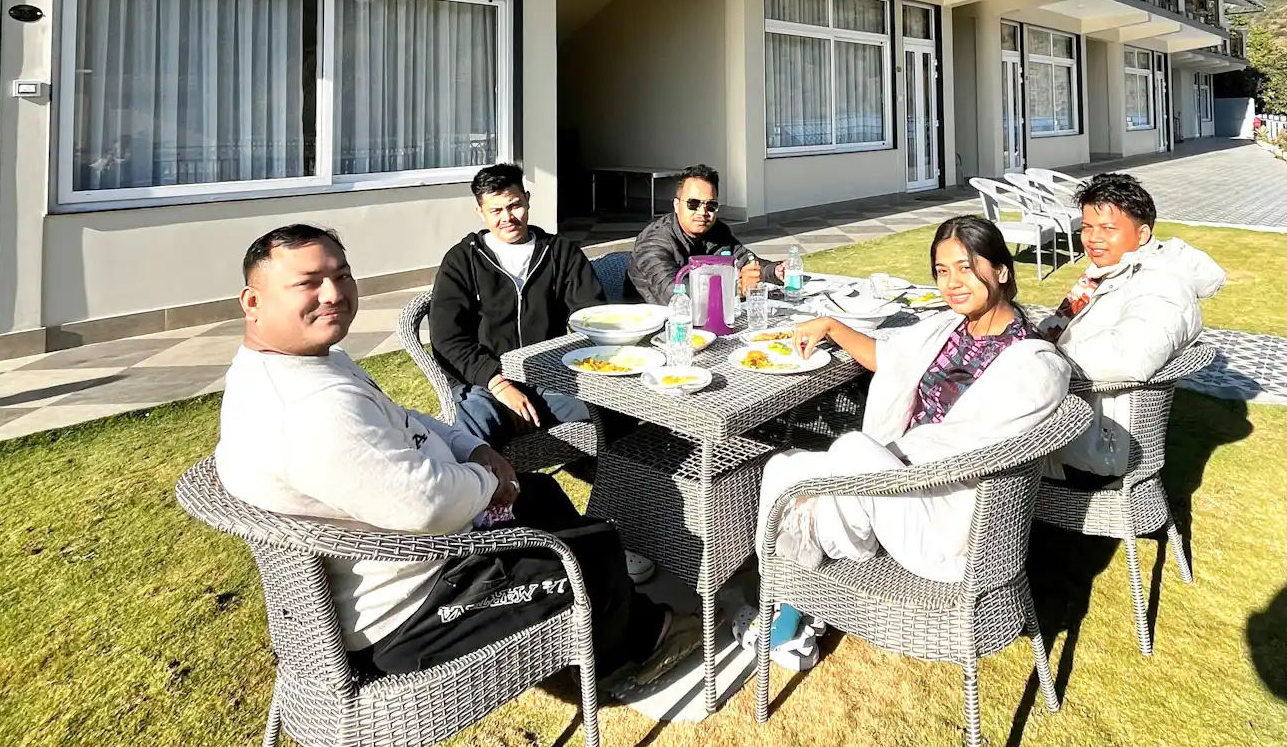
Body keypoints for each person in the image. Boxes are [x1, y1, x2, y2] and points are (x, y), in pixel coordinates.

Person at [215, 224, 699, 683]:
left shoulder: (308, 366)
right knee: (593, 548)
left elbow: (405, 418)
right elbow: (428, 506)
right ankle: (631, 652)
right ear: (252, 302)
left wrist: (474, 447)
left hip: (422, 546)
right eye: (308, 283)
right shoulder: (309, 408)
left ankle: (603, 623)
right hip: (414, 607)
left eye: (341, 276)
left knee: (543, 491)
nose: (334, 294)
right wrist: (491, 481)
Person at [753, 215, 1072, 596]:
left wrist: (871, 462)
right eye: (941, 271)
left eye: (965, 269)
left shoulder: (1032, 365)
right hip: (897, 480)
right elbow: (891, 358)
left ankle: (800, 581)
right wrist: (832, 326)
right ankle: (779, 590)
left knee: (851, 452)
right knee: (780, 469)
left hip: (946, 515)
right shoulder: (951, 328)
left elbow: (971, 450)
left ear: (1001, 271)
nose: (952, 283)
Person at [1035, 170, 1225, 483]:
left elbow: (1129, 356)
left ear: (1143, 235)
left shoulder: (1162, 285)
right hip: (1076, 420)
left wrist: (1037, 363)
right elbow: (1063, 327)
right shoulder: (1111, 271)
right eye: (1087, 228)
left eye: (1108, 229)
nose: (1093, 239)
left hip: (1092, 447)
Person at [429, 163, 604, 446]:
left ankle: (617, 482)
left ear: (527, 199)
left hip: (549, 377)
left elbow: (593, 314)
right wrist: (499, 384)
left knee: (613, 413)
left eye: (515, 206)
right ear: (480, 212)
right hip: (483, 384)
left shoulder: (560, 252)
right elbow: (447, 339)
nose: (508, 218)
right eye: (496, 211)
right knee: (465, 438)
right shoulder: (462, 261)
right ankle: (486, 487)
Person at [628, 163, 780, 307]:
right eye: (693, 204)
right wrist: (735, 290)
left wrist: (776, 271)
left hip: (706, 316)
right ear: (676, 205)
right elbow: (673, 292)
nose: (702, 212)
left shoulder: (717, 231)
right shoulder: (654, 242)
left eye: (711, 205)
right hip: (647, 321)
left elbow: (746, 260)